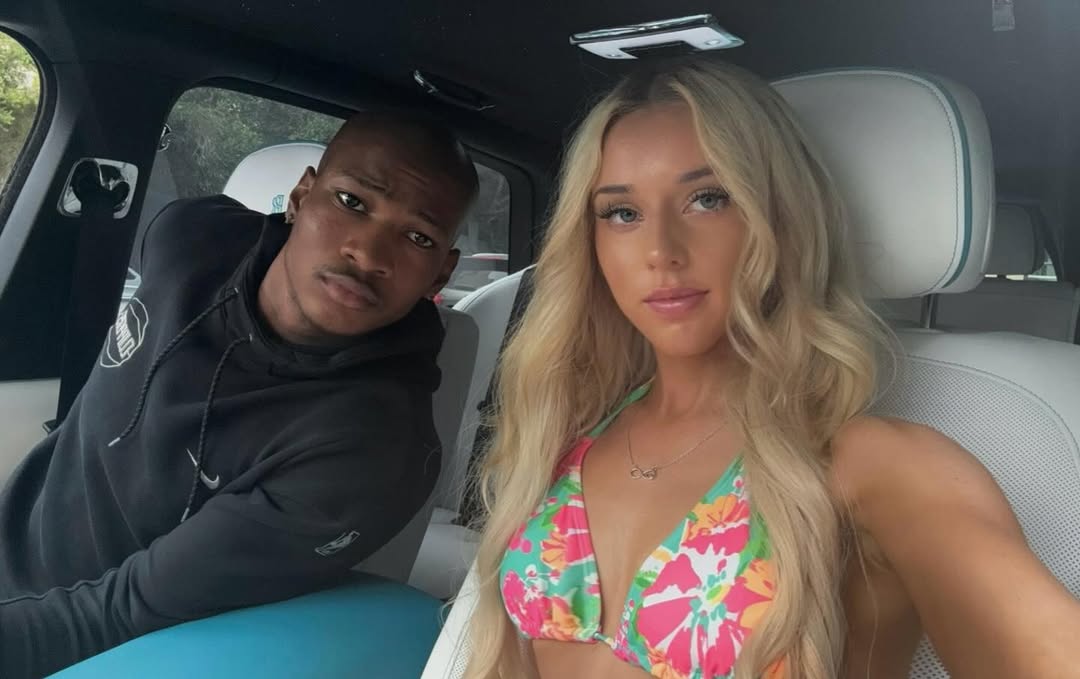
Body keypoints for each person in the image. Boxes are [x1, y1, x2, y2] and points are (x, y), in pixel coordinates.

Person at [461, 60, 1080, 679]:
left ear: (780, 218)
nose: (660, 251)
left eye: (708, 199)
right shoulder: (567, 429)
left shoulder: (876, 467)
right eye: (622, 213)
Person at [0, 111, 477, 678]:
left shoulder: (370, 451)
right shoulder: (190, 236)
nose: (369, 254)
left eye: (418, 237)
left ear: (439, 274)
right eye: (352, 202)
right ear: (300, 197)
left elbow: (122, 612)